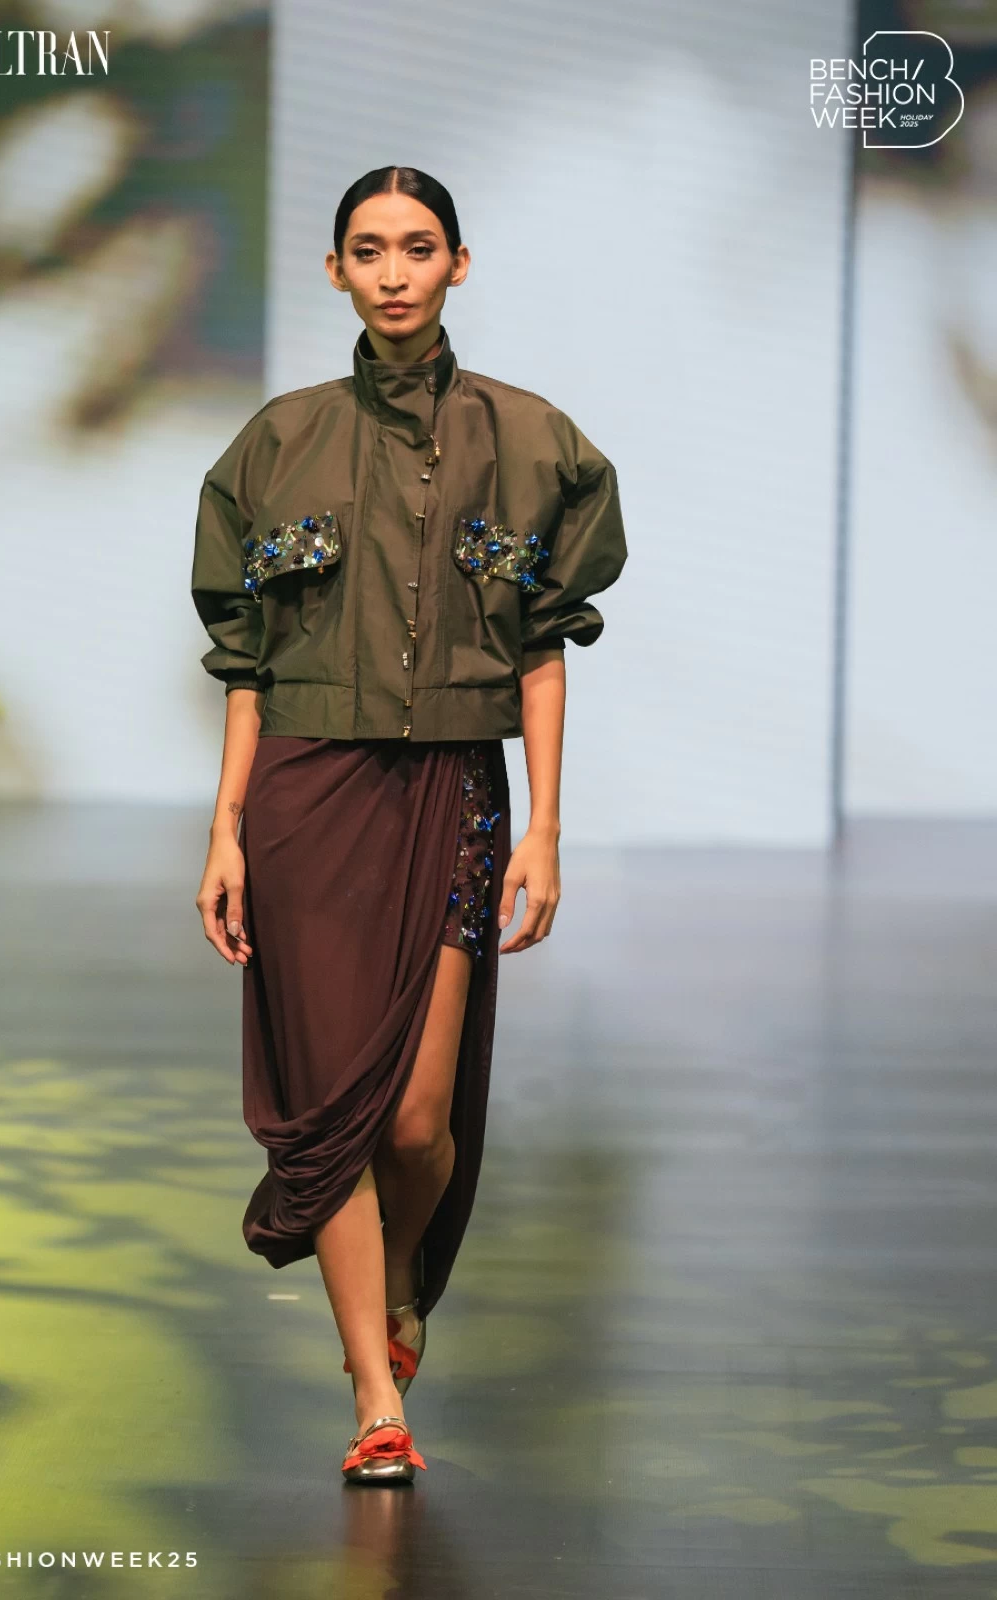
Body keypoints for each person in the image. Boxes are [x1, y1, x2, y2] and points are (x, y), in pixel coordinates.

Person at [190, 165, 627, 1485]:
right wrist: (225, 829)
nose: (393, 272)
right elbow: (245, 662)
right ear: (335, 269)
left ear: (458, 264)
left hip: (453, 790)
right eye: (369, 249)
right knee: (337, 1103)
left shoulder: (533, 442)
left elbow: (544, 650)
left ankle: (396, 1290)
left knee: (420, 1120)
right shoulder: (277, 444)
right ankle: (377, 1398)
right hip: (305, 798)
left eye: (418, 247)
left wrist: (547, 827)